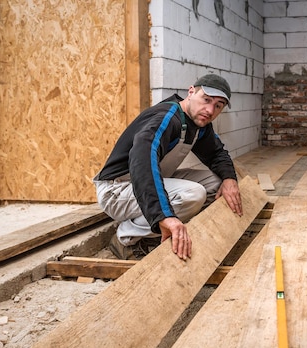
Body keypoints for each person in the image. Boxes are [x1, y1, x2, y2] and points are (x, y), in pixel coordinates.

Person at [94, 74, 242, 261]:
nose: (210, 109)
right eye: (206, 100)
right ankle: (126, 237)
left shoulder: (199, 123)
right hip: (117, 190)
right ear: (191, 92)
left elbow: (217, 154)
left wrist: (230, 179)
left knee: (217, 183)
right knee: (192, 194)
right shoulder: (167, 118)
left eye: (218, 106)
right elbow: (143, 165)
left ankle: (164, 229)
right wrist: (163, 215)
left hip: (146, 184)